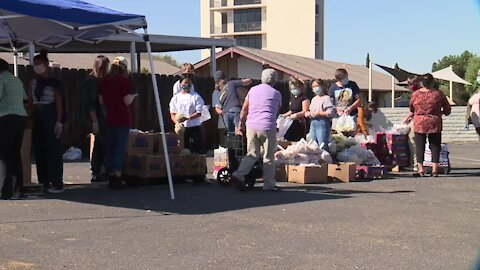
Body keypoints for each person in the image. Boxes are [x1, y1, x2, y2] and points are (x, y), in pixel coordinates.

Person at [232, 69, 282, 191]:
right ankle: (269, 184)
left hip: (252, 125)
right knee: (268, 156)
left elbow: (244, 109)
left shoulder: (252, 90)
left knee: (252, 153)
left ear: (262, 78)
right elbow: (276, 111)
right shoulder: (276, 93)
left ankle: (239, 174)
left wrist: (240, 124)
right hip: (267, 126)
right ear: (274, 80)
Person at [29, 50, 66, 193]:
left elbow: (59, 102)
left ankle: (56, 182)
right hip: (37, 113)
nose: (36, 67)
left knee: (53, 149)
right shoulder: (33, 82)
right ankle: (43, 181)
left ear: (45, 65)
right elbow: (31, 100)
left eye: (38, 64)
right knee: (39, 149)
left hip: (50, 112)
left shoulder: (54, 82)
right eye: (34, 64)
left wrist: (59, 121)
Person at [99, 56, 137, 189]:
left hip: (110, 117)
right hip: (122, 117)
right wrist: (133, 97)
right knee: (120, 148)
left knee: (111, 147)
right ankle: (117, 175)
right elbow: (126, 101)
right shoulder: (123, 81)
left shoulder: (104, 81)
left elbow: (101, 101)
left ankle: (110, 173)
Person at [405, 73, 451, 177]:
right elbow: (447, 108)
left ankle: (420, 169)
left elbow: (412, 109)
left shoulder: (415, 94)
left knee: (419, 146)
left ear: (421, 82)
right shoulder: (438, 94)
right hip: (434, 122)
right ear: (432, 82)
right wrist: (441, 113)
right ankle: (434, 170)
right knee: (435, 146)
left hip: (419, 122)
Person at [0, 58, 28, 199]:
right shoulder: (16, 80)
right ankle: (18, 189)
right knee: (15, 153)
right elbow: (25, 98)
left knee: (4, 155)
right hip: (21, 116)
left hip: (6, 117)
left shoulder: (0, 79)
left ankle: (5, 191)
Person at [80, 55, 110, 184]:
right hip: (96, 117)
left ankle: (97, 170)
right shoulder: (92, 81)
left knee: (99, 144)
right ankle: (97, 171)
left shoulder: (93, 79)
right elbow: (90, 103)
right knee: (101, 144)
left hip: (97, 116)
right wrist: (95, 121)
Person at [169, 74, 205, 154]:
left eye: (189, 83)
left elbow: (199, 113)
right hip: (182, 129)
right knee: (184, 151)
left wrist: (187, 118)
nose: (187, 84)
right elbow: (172, 113)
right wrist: (177, 123)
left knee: (198, 152)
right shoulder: (176, 98)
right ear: (180, 84)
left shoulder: (196, 96)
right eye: (185, 82)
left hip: (195, 127)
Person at [305, 79, 334, 151]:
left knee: (322, 144)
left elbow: (330, 112)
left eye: (317, 86)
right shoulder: (314, 99)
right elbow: (310, 110)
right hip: (313, 122)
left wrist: (319, 113)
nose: (315, 88)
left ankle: (325, 159)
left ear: (322, 86)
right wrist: (308, 113)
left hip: (322, 122)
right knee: (312, 144)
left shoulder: (326, 98)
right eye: (313, 86)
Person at [281, 77, 310, 142]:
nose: (293, 90)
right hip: (291, 122)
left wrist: (296, 115)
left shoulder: (304, 98)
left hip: (300, 123)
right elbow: (292, 110)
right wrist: (284, 115)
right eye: (292, 89)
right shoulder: (293, 98)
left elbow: (305, 111)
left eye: (295, 88)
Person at [464, 69, 480, 136]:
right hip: (477, 124)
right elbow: (469, 105)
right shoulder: (477, 90)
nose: (478, 78)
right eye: (478, 76)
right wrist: (467, 120)